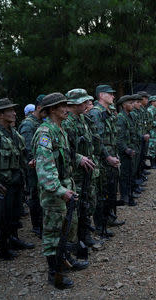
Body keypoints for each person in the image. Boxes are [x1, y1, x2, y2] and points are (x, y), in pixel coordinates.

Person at [33, 92, 93, 289]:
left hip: (66, 188)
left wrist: (78, 158)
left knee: (68, 228)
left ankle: (66, 260)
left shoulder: (59, 130)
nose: (67, 109)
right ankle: (54, 274)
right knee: (53, 233)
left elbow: (65, 155)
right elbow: (44, 168)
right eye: (62, 106)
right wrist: (59, 190)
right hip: (55, 193)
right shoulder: (45, 133)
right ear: (51, 110)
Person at [0, 98, 35, 260]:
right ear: (0, 114)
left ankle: (14, 239)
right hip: (1, 183)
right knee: (2, 216)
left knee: (15, 214)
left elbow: (21, 153)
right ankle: (3, 248)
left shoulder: (12, 131)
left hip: (16, 180)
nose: (14, 113)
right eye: (10, 111)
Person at [62, 89, 99, 247]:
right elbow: (63, 149)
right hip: (74, 173)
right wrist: (78, 158)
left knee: (87, 203)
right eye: (83, 102)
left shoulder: (84, 119)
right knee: (75, 208)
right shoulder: (66, 122)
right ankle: (74, 242)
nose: (87, 104)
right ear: (73, 103)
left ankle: (85, 236)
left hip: (87, 170)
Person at [87, 85, 121, 238]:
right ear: (101, 95)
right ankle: (100, 227)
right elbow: (98, 139)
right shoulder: (96, 113)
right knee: (102, 193)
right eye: (110, 94)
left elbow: (112, 136)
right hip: (101, 159)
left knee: (111, 190)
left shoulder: (107, 112)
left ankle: (108, 220)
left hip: (111, 155)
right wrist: (107, 157)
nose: (113, 97)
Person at [19, 94, 46, 238]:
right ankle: (37, 226)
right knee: (35, 195)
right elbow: (27, 147)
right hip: (33, 166)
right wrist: (33, 160)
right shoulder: (28, 124)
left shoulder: (41, 122)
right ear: (39, 107)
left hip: (41, 164)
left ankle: (42, 224)